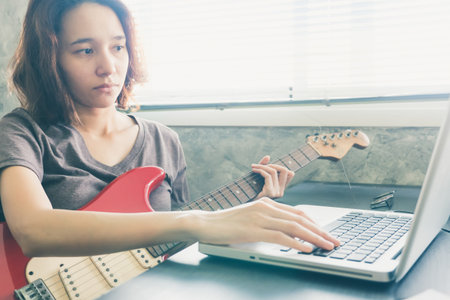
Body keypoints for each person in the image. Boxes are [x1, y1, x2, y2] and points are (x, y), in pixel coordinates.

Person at [0, 0, 339, 259]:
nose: (108, 67)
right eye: (86, 51)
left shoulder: (163, 140)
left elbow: (172, 247)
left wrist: (246, 216)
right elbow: (33, 229)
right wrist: (197, 221)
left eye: (118, 47)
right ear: (50, 58)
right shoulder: (20, 132)